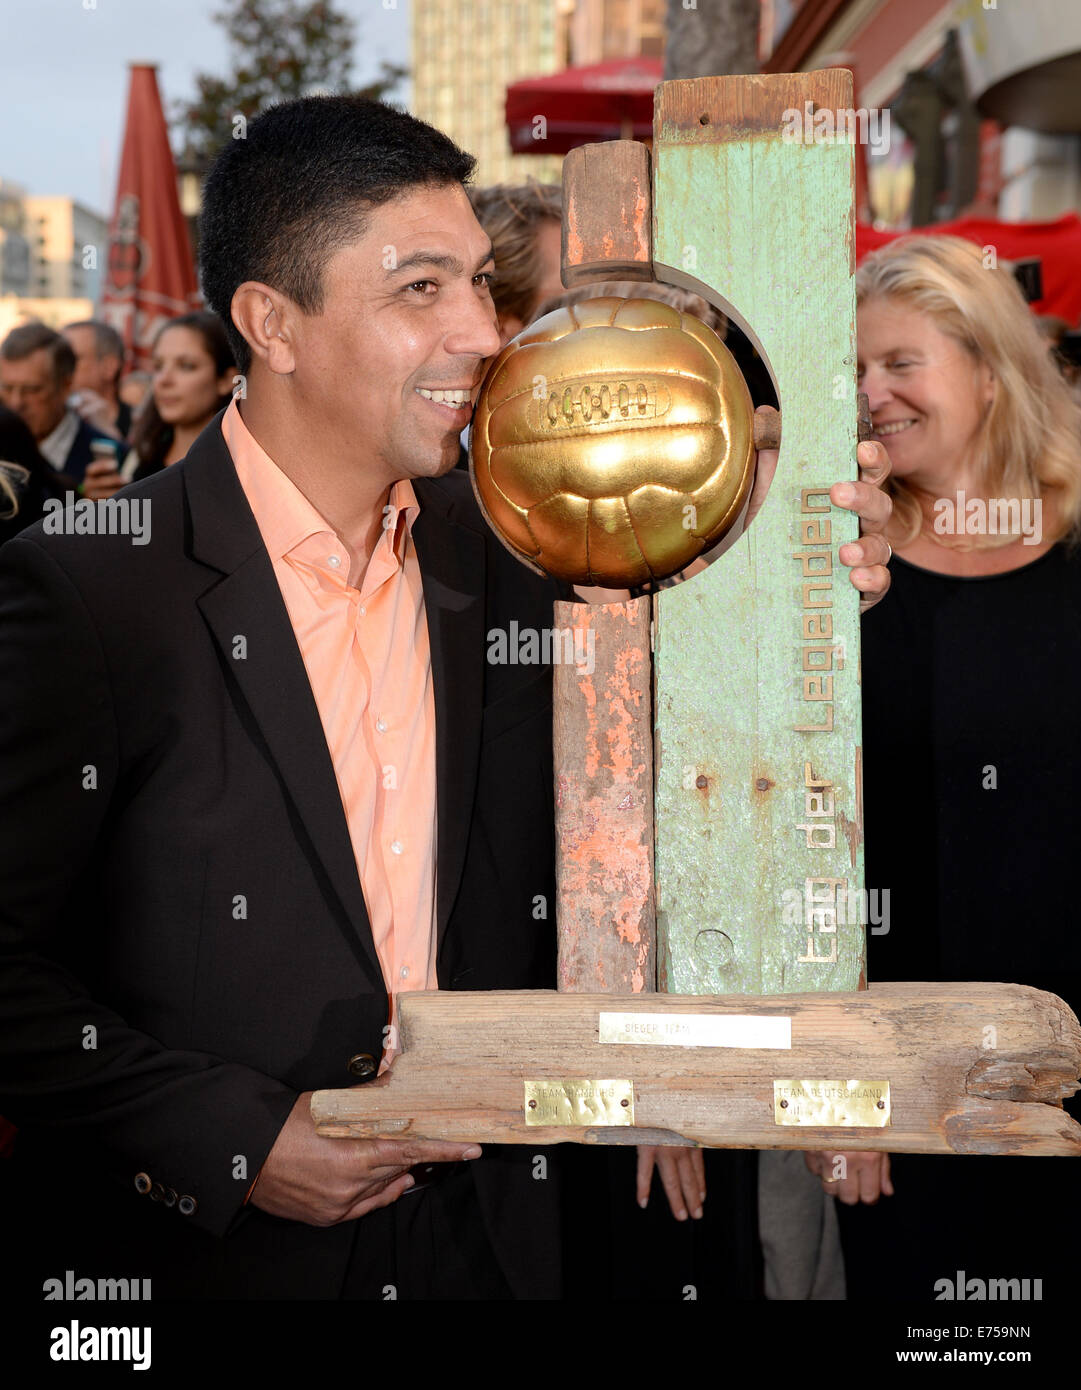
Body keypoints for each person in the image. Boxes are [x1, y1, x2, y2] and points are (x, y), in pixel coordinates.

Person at [0, 95, 891, 1302]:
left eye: (478, 281)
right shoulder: (94, 585)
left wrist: (815, 569)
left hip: (491, 1242)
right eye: (421, 289)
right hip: (206, 1262)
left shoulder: (522, 551)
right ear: (273, 323)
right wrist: (237, 1143)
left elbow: (697, 730)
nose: (482, 332)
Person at [805, 234, 1081, 1300]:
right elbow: (807, 848)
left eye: (899, 363)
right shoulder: (835, 573)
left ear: (986, 367)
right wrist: (839, 1082)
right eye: (854, 371)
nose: (871, 393)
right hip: (912, 1080)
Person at [0, 322, 115, 485]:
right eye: (7, 388)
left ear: (66, 386)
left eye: (32, 390)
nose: (16, 402)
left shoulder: (109, 461)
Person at [62, 319, 133, 440]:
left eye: (71, 358)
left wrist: (107, 432)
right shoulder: (49, 421)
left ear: (109, 367)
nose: (61, 367)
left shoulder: (141, 424)